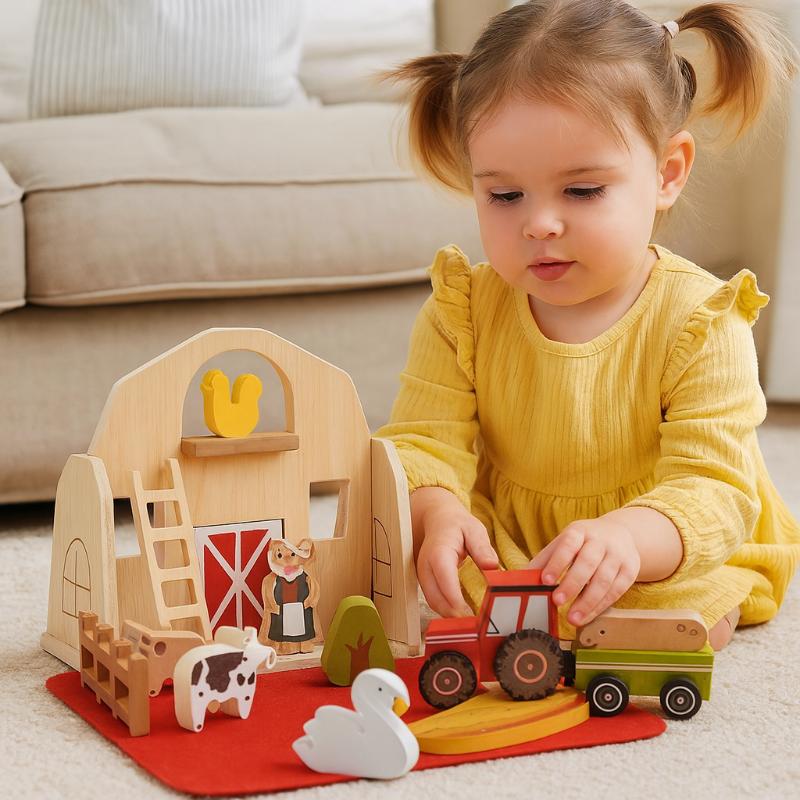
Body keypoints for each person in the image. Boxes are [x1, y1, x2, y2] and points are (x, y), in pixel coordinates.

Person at [375, 0, 800, 650]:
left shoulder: (702, 321)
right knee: (425, 570)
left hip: (659, 538)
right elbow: (423, 441)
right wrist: (439, 512)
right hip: (514, 537)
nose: (539, 224)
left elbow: (713, 487)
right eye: (505, 196)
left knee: (680, 615)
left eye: (581, 191)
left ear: (667, 173)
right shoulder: (463, 309)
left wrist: (629, 538)